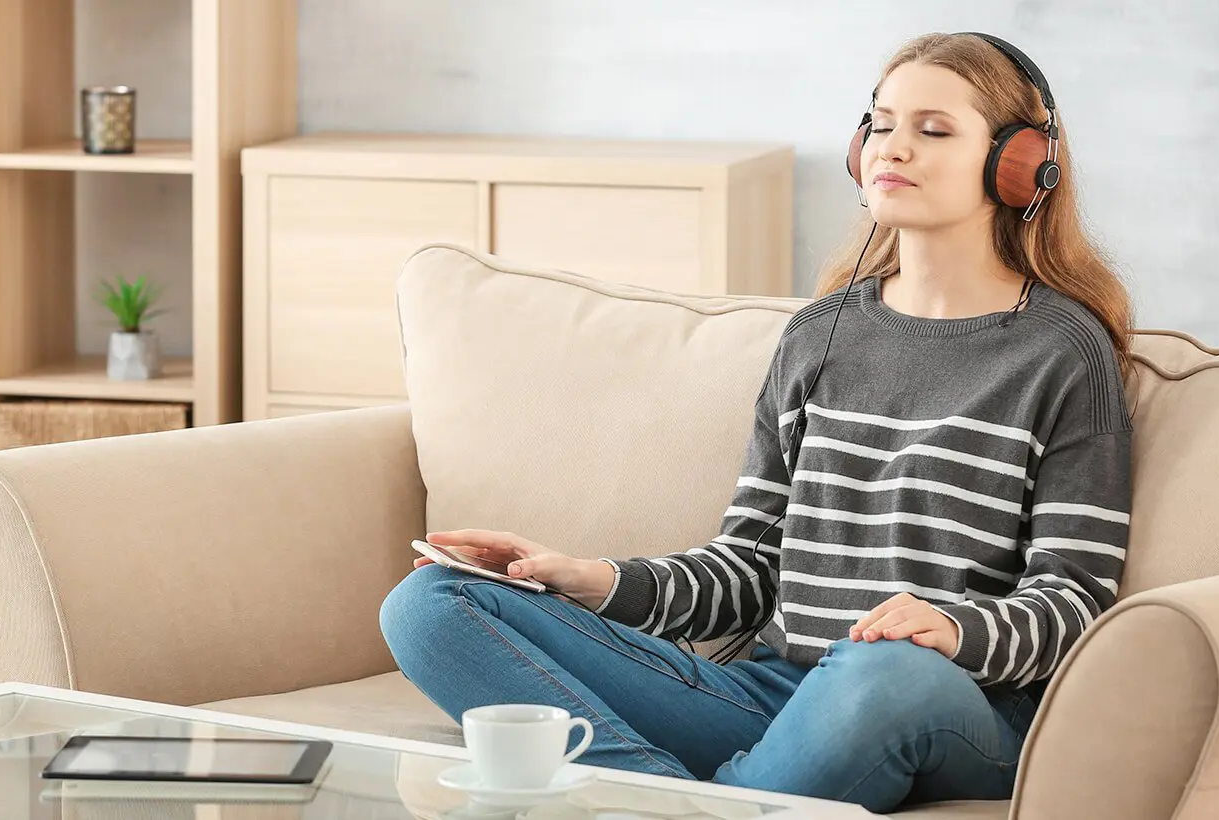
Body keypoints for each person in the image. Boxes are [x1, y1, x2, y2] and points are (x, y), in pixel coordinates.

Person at [379, 31, 1134, 814]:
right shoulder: (820, 334)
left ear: (1018, 166)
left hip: (937, 702)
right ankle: (671, 803)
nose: (893, 148)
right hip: (773, 693)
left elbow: (1074, 600)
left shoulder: (1063, 352)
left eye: (933, 130)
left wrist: (949, 629)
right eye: (880, 124)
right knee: (430, 604)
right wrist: (587, 578)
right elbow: (749, 569)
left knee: (881, 672)